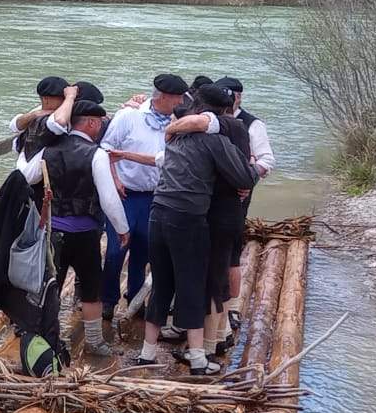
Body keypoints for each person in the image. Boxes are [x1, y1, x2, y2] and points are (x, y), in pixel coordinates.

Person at [133, 83, 257, 375]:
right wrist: (249, 168)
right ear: (225, 112)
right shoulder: (216, 142)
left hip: (158, 212)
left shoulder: (175, 136)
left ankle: (146, 354)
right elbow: (244, 178)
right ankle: (199, 360)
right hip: (188, 219)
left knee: (162, 283)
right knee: (191, 286)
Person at [15, 99, 129, 357]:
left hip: (54, 232)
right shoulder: (96, 154)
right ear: (90, 123)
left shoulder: (49, 150)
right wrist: (122, 229)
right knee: (91, 288)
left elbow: (24, 176)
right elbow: (109, 198)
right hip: (86, 235)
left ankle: (46, 339)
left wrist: (24, 152)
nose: (101, 127)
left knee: (49, 286)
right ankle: (94, 342)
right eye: (99, 123)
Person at [98, 74, 183, 322]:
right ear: (164, 97)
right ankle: (109, 300)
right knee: (115, 250)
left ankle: (135, 298)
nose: (180, 102)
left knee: (144, 250)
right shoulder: (130, 116)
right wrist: (114, 179)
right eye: (177, 97)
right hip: (125, 194)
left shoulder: (177, 123)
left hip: (155, 196)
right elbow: (106, 148)